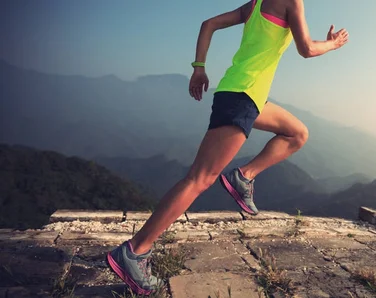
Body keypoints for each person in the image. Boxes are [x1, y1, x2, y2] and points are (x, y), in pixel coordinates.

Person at [106, 0, 349, 294]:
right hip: (243, 99)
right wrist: (333, 44)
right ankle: (133, 252)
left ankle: (243, 177)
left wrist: (199, 68)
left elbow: (207, 24)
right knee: (199, 179)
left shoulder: (256, 4)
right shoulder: (292, 2)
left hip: (243, 95)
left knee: (297, 133)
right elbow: (307, 48)